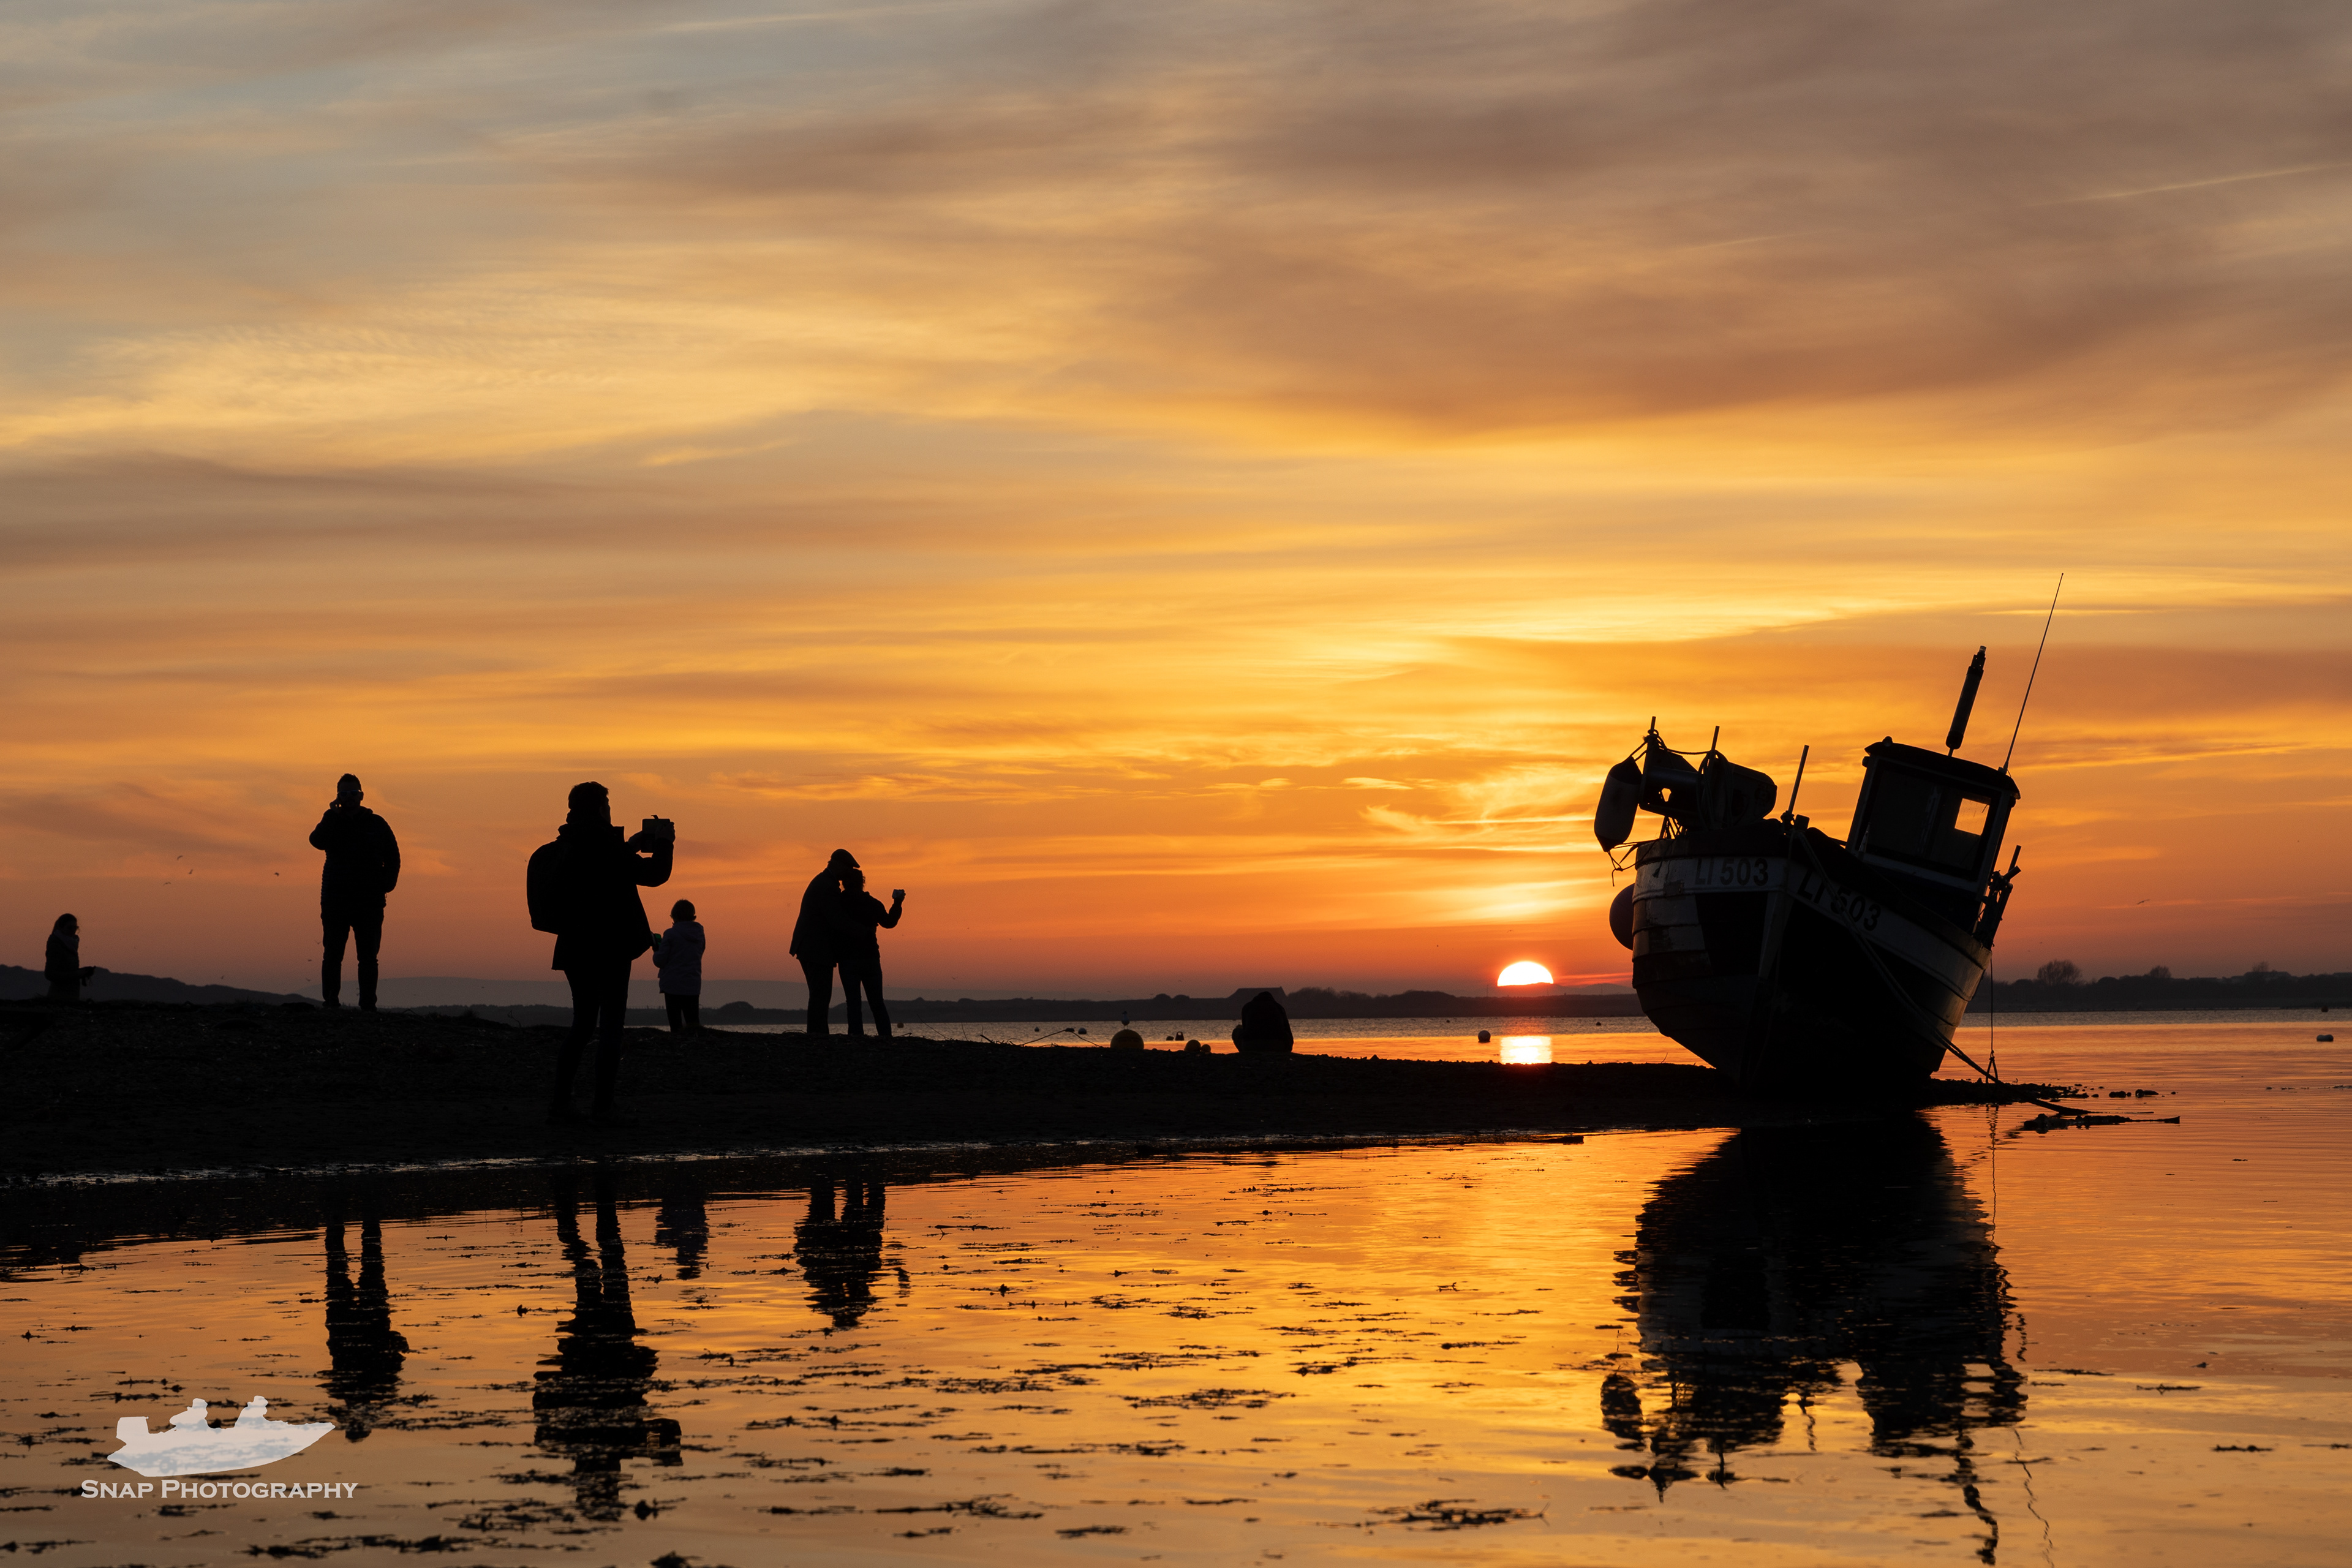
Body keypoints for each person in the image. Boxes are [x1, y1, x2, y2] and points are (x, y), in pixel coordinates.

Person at [527, 782, 673, 1123]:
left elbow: (603, 864)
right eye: (607, 805)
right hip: (612, 945)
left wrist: (630, 845)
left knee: (582, 1023)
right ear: (601, 809)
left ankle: (561, 1103)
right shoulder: (607, 847)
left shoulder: (565, 846)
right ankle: (604, 1106)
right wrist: (664, 843)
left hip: (574, 945)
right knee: (611, 1026)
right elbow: (654, 875)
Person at [309, 775, 401, 1011]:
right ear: (338, 797)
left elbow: (393, 855)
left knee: (368, 957)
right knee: (333, 955)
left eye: (353, 793)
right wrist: (331, 816)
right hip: (335, 899)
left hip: (369, 902)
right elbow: (316, 841)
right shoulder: (332, 821)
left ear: (361, 795)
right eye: (344, 794)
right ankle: (331, 1004)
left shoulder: (377, 824)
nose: (349, 798)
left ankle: (368, 1006)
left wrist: (386, 884)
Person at [788, 850, 858, 1036]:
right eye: (848, 868)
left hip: (810, 947)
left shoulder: (823, 882)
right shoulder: (827, 886)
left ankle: (817, 1034)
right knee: (820, 994)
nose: (849, 872)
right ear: (838, 865)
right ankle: (817, 1035)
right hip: (816, 949)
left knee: (819, 994)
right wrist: (859, 930)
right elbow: (836, 919)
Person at [830, 868, 903, 1039]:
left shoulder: (839, 903)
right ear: (862, 883)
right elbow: (889, 922)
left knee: (853, 1003)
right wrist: (897, 903)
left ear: (844, 883)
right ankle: (885, 1037)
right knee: (877, 1003)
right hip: (870, 957)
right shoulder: (872, 903)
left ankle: (856, 1037)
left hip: (847, 959)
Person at [654, 899, 704, 1034]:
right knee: (693, 1023)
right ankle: (695, 1044)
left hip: (672, 984)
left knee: (675, 1024)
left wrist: (656, 950)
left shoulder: (670, 934)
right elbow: (700, 952)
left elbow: (660, 961)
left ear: (675, 916)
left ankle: (677, 1043)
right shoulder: (699, 934)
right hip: (693, 983)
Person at [44, 914, 96, 1003]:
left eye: (75, 928)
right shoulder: (56, 946)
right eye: (70, 928)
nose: (73, 930)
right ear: (61, 928)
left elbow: (68, 970)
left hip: (71, 997)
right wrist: (77, 974)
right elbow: (50, 974)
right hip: (58, 999)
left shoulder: (71, 945)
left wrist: (83, 972)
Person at [1231, 990, 1294, 1056]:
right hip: (1277, 1046)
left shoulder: (1247, 1007)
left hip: (1251, 1046)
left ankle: (1245, 1054)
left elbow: (1245, 1030)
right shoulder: (1279, 1008)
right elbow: (1289, 1033)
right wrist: (1288, 1047)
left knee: (1236, 1031)